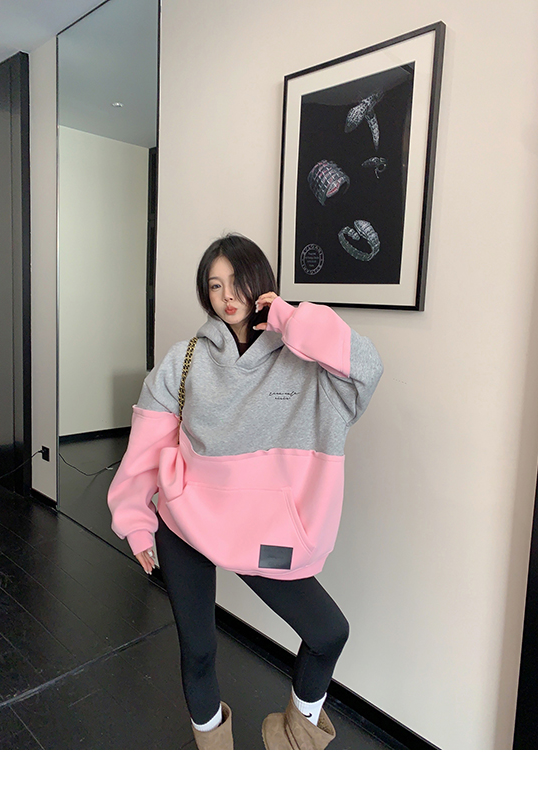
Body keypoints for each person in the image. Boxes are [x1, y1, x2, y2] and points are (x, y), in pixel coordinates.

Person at [107, 233, 383, 749]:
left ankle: (294, 740)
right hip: (184, 521)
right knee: (199, 651)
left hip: (263, 530)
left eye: (237, 281)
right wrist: (135, 520)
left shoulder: (308, 362)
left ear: (262, 282)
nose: (227, 296)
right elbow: (147, 445)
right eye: (215, 285)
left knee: (327, 632)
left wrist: (291, 319)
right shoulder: (185, 359)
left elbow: (367, 366)